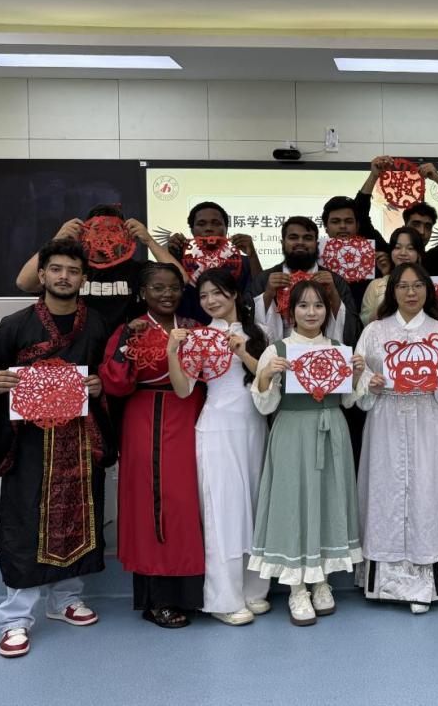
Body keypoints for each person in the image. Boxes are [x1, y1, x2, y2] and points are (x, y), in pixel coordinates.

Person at [0, 238, 115, 658]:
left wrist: (101, 387)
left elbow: (111, 374)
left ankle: (65, 599)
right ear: (42, 275)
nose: (64, 277)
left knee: (79, 517)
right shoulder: (16, 324)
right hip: (29, 445)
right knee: (26, 521)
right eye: (56, 269)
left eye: (73, 271)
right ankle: (15, 618)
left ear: (84, 278)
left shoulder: (97, 325)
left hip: (79, 440)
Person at [345, 263, 438, 614]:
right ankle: (384, 584)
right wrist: (368, 383)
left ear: (428, 290)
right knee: (385, 493)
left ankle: (424, 585)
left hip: (428, 420)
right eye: (403, 286)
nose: (411, 292)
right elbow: (360, 380)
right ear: (392, 291)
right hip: (385, 420)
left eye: (417, 286)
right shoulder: (374, 331)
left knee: (427, 495)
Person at [249, 279, 362, 626]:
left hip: (332, 430)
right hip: (292, 431)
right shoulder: (278, 349)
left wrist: (356, 375)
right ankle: (297, 587)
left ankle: (322, 581)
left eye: (318, 305)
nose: (311, 312)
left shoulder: (339, 348)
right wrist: (266, 375)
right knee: (294, 503)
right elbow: (264, 405)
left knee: (328, 500)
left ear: (327, 310)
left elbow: (348, 401)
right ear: (291, 311)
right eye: (303, 305)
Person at [99, 262, 204, 628]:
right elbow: (114, 383)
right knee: (158, 503)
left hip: (194, 417)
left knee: (191, 502)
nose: (167, 294)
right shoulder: (131, 329)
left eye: (174, 287)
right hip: (150, 418)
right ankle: (159, 598)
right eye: (158, 288)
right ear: (143, 292)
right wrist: (127, 341)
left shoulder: (194, 328)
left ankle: (196, 594)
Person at [166, 268, 271, 626]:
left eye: (218, 293)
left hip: (255, 428)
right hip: (217, 429)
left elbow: (269, 381)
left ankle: (254, 590)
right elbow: (183, 390)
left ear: (235, 294)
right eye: (204, 295)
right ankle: (224, 598)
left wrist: (243, 352)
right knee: (223, 513)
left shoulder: (260, 333)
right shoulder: (198, 339)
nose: (211, 301)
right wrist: (172, 353)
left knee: (255, 508)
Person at [15, 205, 186, 333]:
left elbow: (181, 279)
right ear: (86, 233)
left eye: (113, 230)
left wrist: (149, 240)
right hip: (80, 348)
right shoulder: (73, 269)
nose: (105, 235)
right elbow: (24, 283)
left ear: (124, 234)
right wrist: (58, 238)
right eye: (97, 229)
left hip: (124, 351)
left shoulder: (137, 269)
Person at [248, 216, 360, 346]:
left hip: (322, 353)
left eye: (307, 238)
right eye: (293, 237)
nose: (300, 242)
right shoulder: (265, 279)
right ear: (282, 242)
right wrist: (268, 295)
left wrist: (333, 294)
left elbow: (352, 328)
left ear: (317, 244)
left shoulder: (334, 280)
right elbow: (246, 323)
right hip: (278, 355)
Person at [168, 201, 259, 324]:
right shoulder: (180, 261)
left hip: (234, 331)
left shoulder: (245, 263)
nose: (209, 228)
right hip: (188, 331)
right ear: (192, 230)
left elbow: (260, 296)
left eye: (216, 223)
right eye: (201, 224)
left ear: (226, 229)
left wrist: (252, 254)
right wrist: (171, 255)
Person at [361, 226, 426, 325]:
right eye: (397, 247)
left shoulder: (428, 285)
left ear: (419, 254)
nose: (403, 253)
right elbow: (363, 320)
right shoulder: (376, 285)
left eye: (410, 248)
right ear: (391, 252)